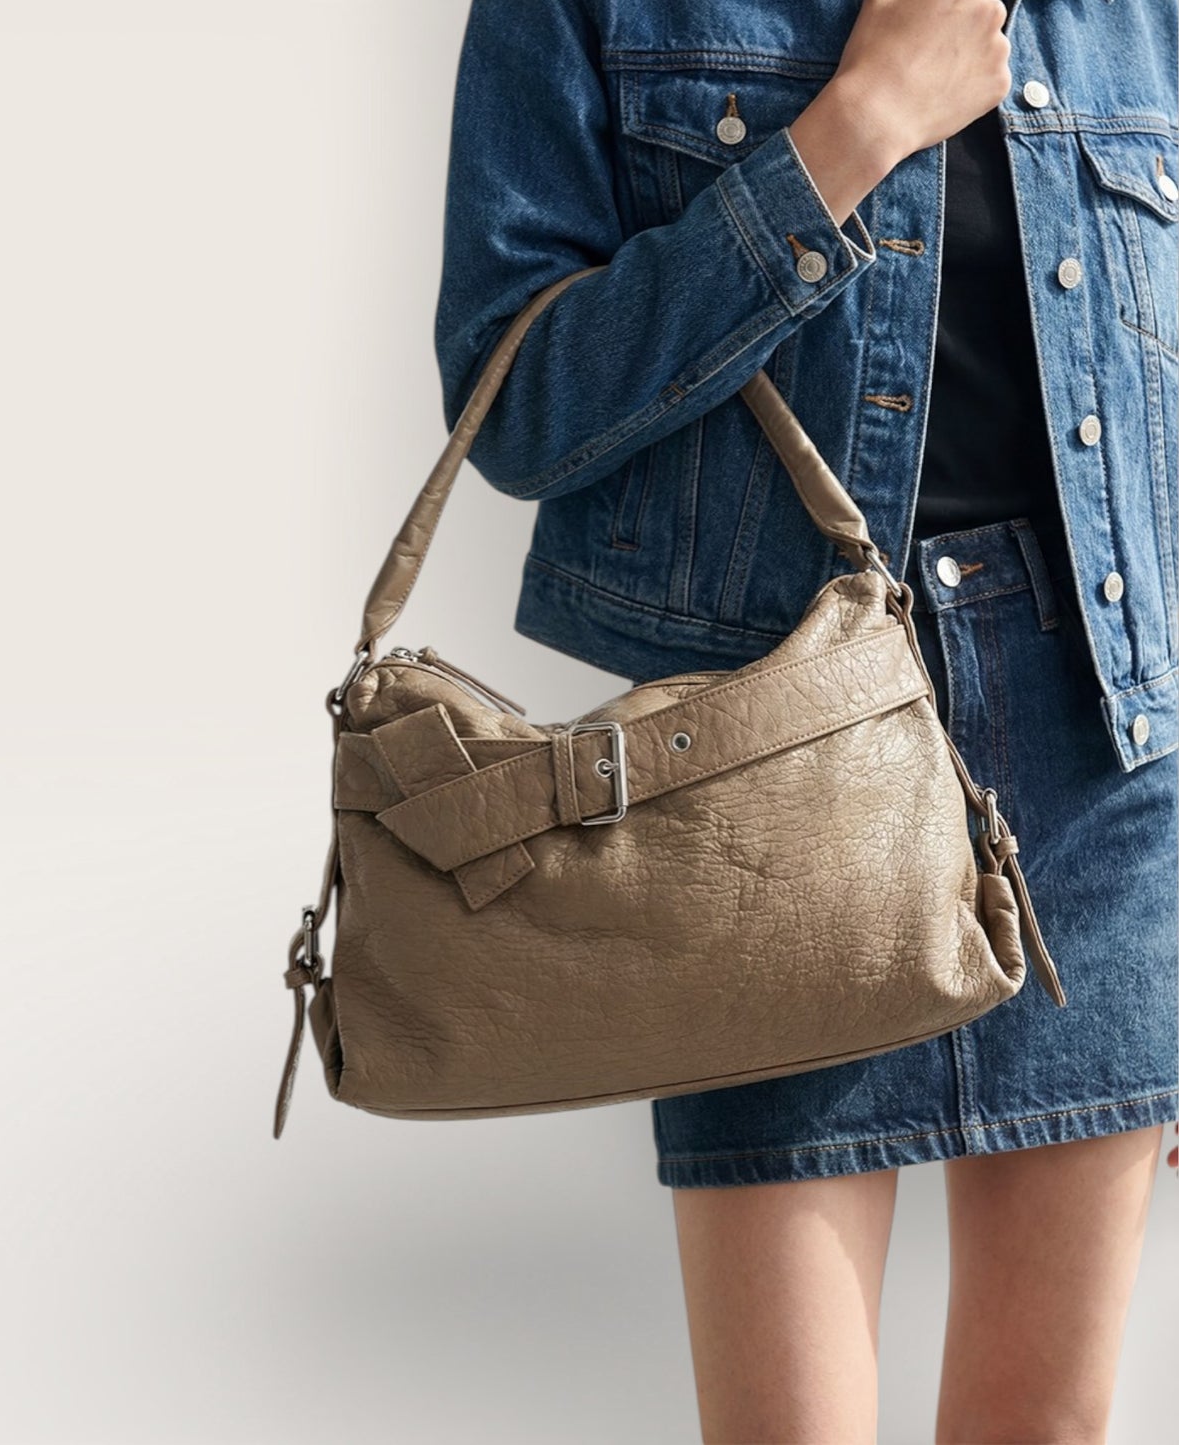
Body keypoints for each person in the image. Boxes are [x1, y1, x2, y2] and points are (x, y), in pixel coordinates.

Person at [434, 1, 1179, 1439]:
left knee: (1047, 1425)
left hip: (1101, 746)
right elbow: (510, 400)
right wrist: (849, 135)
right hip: (762, 756)